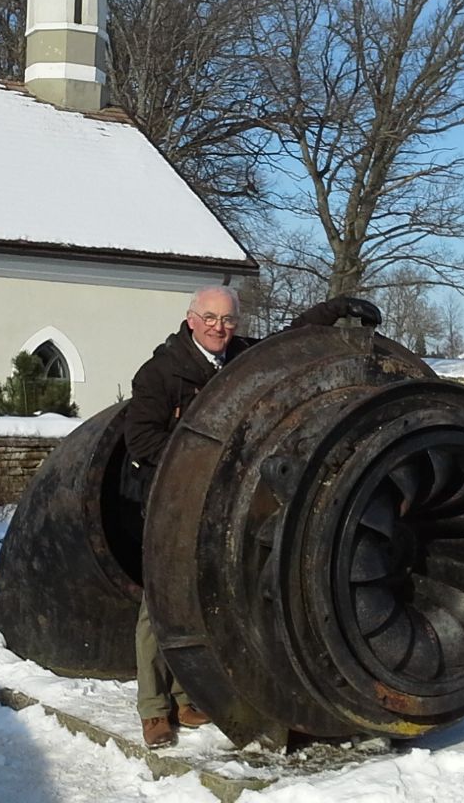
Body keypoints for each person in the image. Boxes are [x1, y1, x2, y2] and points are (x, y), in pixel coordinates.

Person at [124, 284, 381, 748]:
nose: (219, 328)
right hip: (173, 507)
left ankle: (187, 696)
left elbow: (292, 340)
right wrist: (201, 464)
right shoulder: (159, 374)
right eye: (210, 319)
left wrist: (336, 309)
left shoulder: (241, 360)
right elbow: (140, 440)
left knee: (206, 601)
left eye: (228, 321)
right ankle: (154, 709)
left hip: (226, 510)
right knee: (160, 607)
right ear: (191, 319)